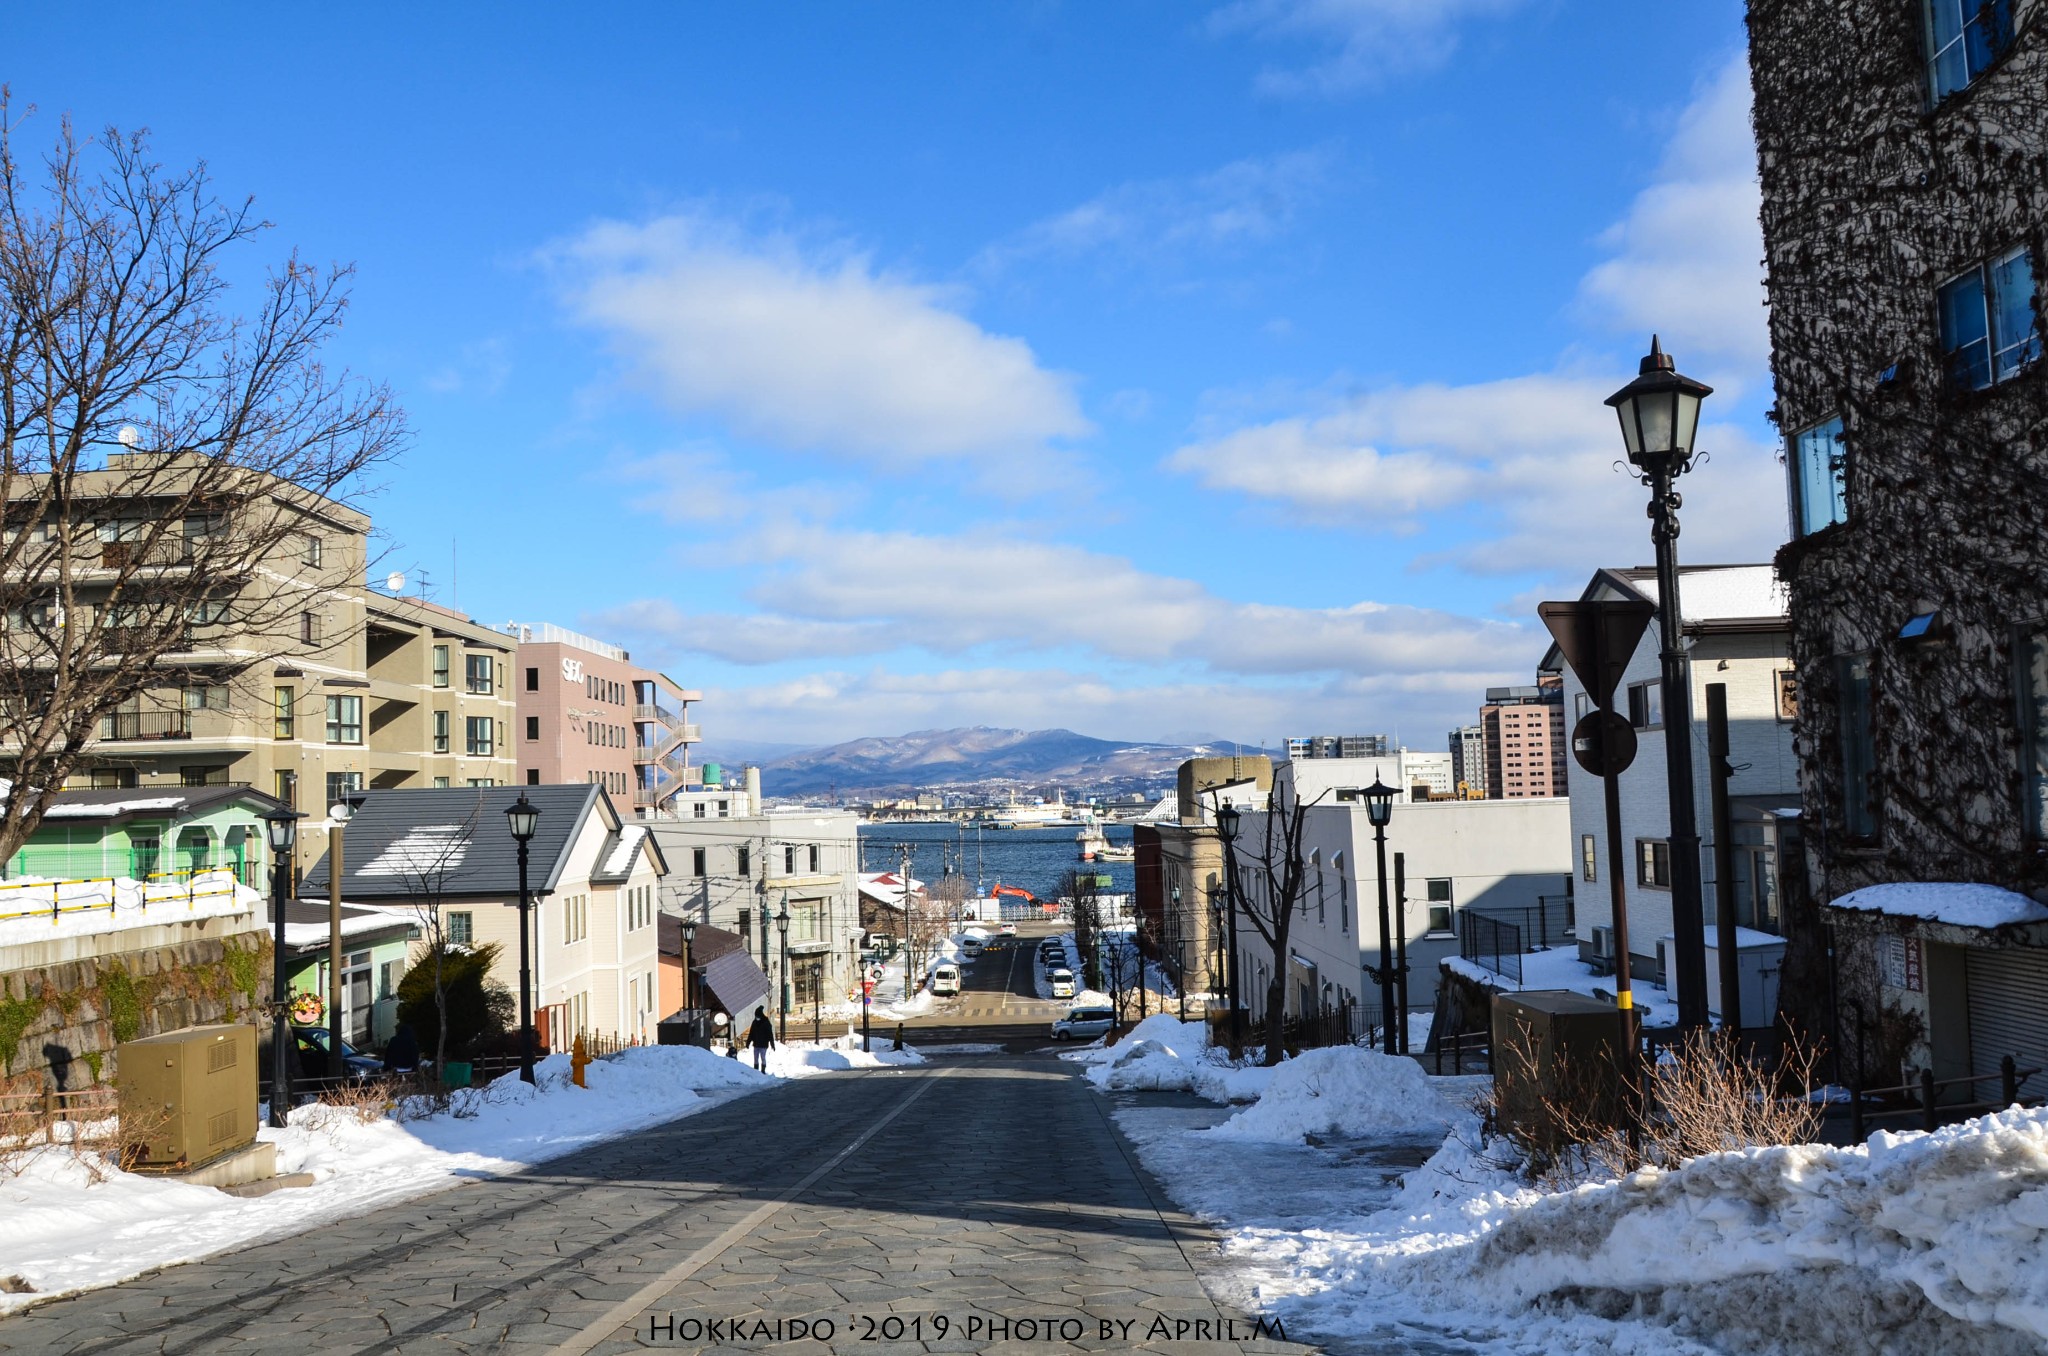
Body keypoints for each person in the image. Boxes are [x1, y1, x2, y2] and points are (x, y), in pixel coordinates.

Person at [746, 1004, 776, 1072]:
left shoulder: (766, 1023)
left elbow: (770, 1035)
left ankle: (763, 1071)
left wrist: (772, 1045)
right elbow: (751, 1033)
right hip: (756, 1044)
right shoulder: (754, 1022)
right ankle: (756, 1071)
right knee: (755, 1058)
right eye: (756, 1016)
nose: (757, 1018)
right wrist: (748, 1043)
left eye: (757, 1016)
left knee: (763, 1058)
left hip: (763, 1045)